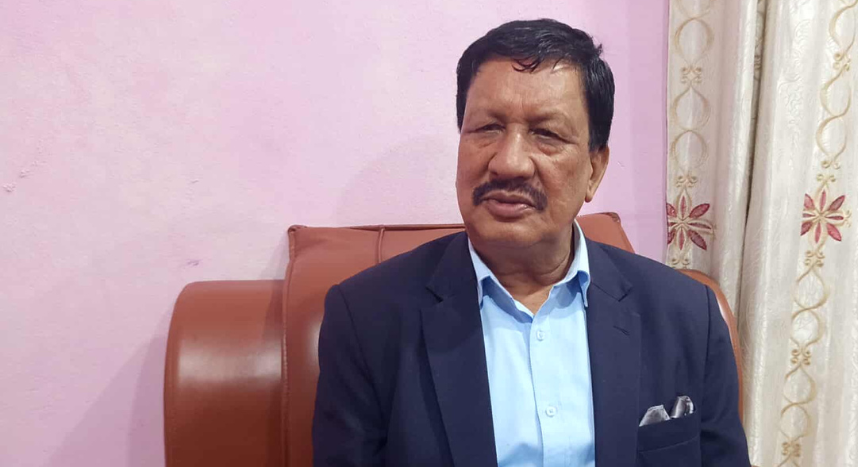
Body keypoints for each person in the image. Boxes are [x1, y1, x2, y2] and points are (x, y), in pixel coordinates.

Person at [313, 18, 750, 467]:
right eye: (487, 128)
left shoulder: (687, 316)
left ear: (595, 170)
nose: (509, 163)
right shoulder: (367, 319)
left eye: (547, 134)